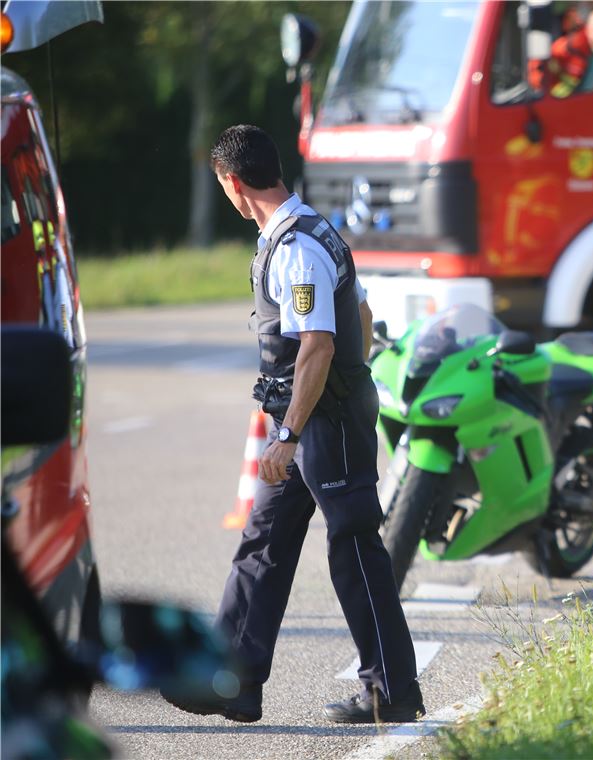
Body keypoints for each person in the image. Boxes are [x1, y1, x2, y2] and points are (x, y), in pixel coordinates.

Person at [162, 125, 423, 724]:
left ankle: (393, 690)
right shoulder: (305, 230)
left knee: (353, 544)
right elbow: (360, 309)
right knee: (264, 542)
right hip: (309, 417)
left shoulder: (297, 246)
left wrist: (289, 434)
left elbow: (318, 345)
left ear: (232, 183)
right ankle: (233, 680)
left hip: (321, 421)